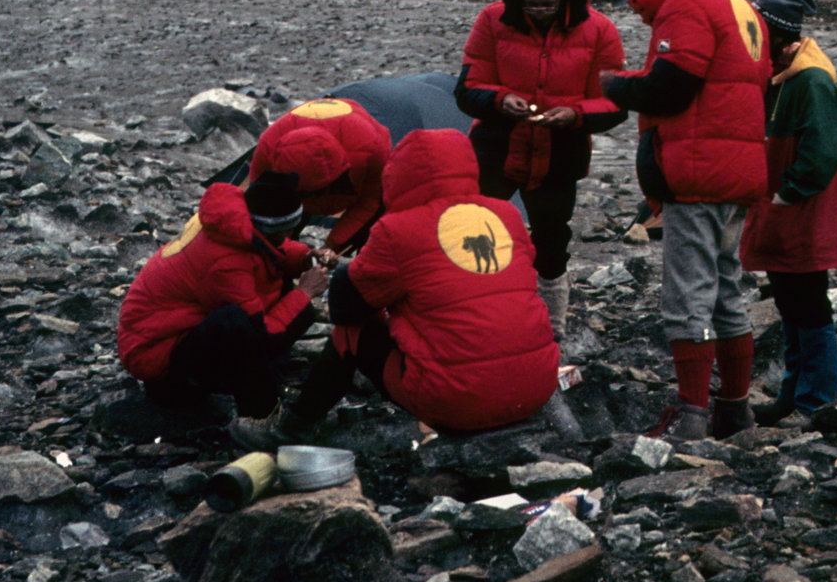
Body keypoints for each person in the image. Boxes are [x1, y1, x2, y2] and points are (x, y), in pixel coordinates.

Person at [233, 128, 559, 449]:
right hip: (536, 386)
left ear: (397, 177)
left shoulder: (397, 230)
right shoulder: (506, 213)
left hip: (457, 403)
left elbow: (346, 307)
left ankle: (293, 428)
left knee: (351, 334)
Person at [600, 0, 770, 441]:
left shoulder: (688, 5)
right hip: (737, 172)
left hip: (699, 174)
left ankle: (692, 415)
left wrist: (614, 85)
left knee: (688, 294)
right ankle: (735, 409)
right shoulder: (735, 2)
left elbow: (672, 87)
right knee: (726, 289)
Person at [455, 0, 626, 338]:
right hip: (498, 146)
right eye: (530, 4)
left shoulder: (599, 29)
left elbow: (614, 104)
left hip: (560, 152)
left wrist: (574, 115)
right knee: (480, 231)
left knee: (551, 237)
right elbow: (467, 89)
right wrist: (499, 99)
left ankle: (552, 325)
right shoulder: (491, 20)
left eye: (546, 5)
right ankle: (478, 312)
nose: (537, 11)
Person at [117, 171, 330, 422]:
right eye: (286, 231)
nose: (288, 236)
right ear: (273, 228)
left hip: (181, 331)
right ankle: (265, 417)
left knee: (281, 292)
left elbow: (271, 249)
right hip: (160, 361)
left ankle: (250, 378)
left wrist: (305, 258)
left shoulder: (232, 224)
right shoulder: (226, 262)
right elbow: (261, 333)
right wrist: (304, 293)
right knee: (235, 321)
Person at [739, 0, 837, 427]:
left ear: (782, 43)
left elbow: (824, 148)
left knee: (808, 300)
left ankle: (816, 398)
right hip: (779, 206)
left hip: (800, 210)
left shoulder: (812, 81)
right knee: (788, 298)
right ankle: (794, 393)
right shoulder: (779, 79)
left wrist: (789, 191)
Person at [248, 96, 393, 255]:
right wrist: (292, 253)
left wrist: (332, 246)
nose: (313, 199)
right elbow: (260, 212)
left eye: (316, 192)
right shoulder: (268, 149)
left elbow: (369, 202)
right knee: (272, 242)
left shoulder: (373, 150)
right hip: (293, 173)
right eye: (304, 194)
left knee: (371, 231)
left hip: (359, 140)